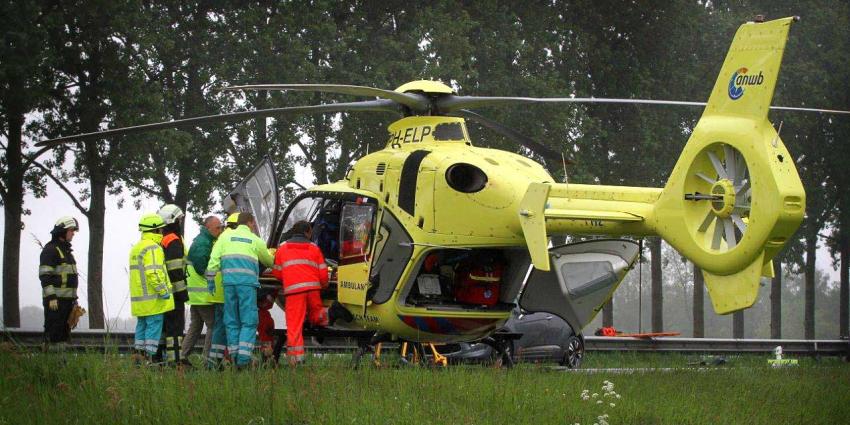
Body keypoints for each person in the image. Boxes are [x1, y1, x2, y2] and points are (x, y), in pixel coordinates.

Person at [273, 220, 353, 365]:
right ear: (308, 232)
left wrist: (289, 277)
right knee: (316, 315)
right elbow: (323, 273)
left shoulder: (282, 249)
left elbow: (277, 273)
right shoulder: (314, 248)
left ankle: (296, 359)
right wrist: (323, 286)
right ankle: (330, 313)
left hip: (294, 291)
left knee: (294, 325)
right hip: (313, 290)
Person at [206, 212, 274, 369]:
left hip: (229, 284)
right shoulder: (255, 239)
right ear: (250, 223)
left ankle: (235, 355)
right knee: (248, 321)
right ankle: (243, 359)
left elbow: (214, 260)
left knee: (231, 321)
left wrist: (210, 280)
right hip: (247, 285)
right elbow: (269, 261)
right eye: (253, 224)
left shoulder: (224, 238)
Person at [129, 213, 174, 364]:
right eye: (161, 230)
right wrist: (164, 291)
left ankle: (138, 360)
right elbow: (153, 272)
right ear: (155, 230)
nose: (162, 233)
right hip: (153, 300)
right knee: (153, 331)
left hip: (139, 300)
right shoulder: (154, 248)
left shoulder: (137, 248)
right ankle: (150, 360)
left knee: (141, 329)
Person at [180, 215, 223, 364]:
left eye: (221, 227)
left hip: (195, 295)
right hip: (203, 295)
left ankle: (182, 356)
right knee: (214, 325)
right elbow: (201, 267)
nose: (220, 230)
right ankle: (207, 359)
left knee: (196, 326)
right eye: (217, 227)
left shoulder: (203, 241)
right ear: (208, 227)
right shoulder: (203, 243)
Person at [39, 216, 80, 351]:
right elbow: (45, 276)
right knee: (54, 334)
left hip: (67, 302)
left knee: (63, 335)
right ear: (63, 231)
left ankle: (60, 364)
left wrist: (74, 300)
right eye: (71, 230)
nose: (73, 233)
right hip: (55, 303)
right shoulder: (51, 250)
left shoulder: (66, 251)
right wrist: (51, 297)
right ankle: (51, 364)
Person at [156, 204, 189, 367]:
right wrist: (182, 293)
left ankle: (159, 359)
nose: (181, 222)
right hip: (174, 293)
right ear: (173, 220)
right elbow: (175, 270)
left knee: (164, 327)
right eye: (179, 219)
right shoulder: (174, 240)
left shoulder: (162, 238)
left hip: (164, 291)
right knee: (175, 328)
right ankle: (176, 360)